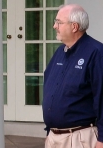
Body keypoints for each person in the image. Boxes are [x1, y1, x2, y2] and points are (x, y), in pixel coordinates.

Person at [42, 4, 103, 148]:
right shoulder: (59, 52)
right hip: (54, 137)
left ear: (74, 26)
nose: (54, 26)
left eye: (59, 22)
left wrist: (102, 139)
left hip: (79, 138)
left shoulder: (96, 53)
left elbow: (102, 98)